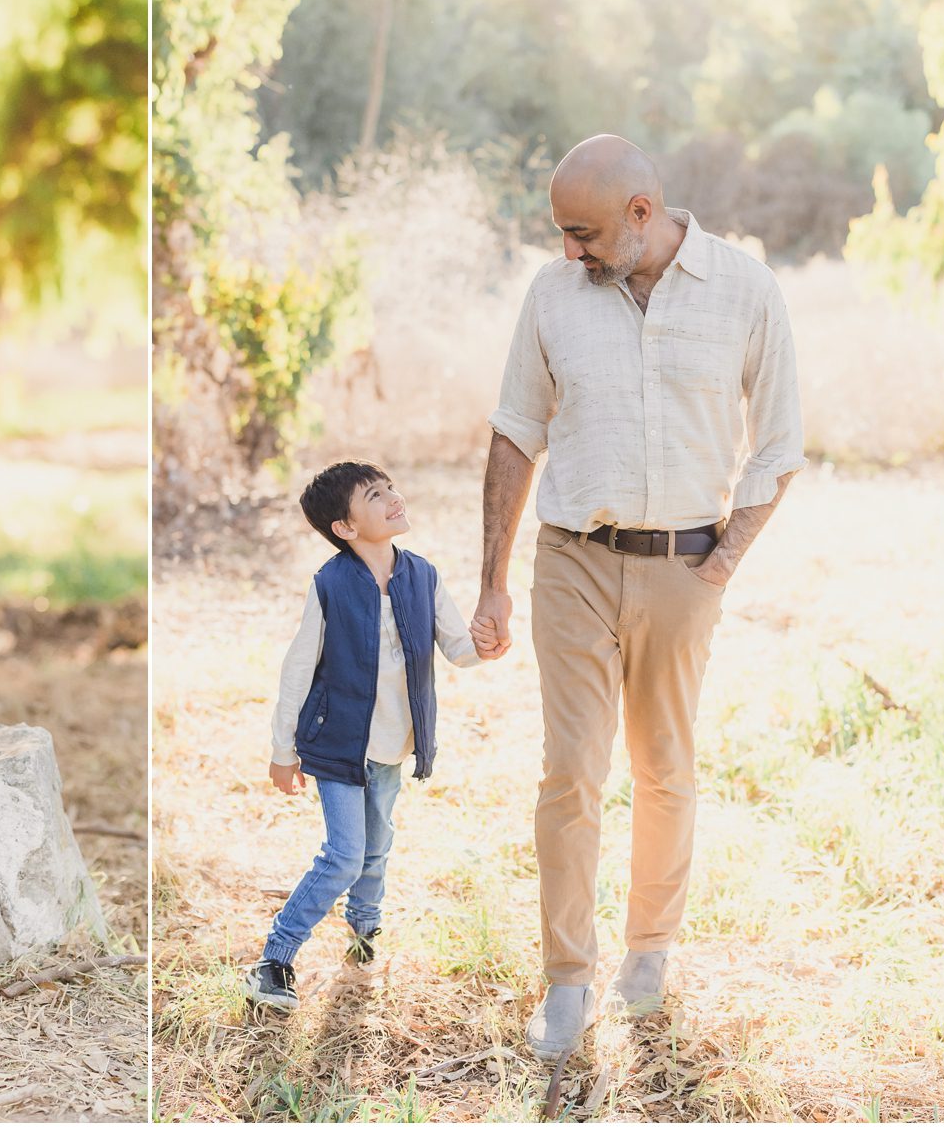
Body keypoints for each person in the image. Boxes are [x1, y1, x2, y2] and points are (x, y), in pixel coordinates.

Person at [470, 135, 804, 1060]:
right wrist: (492, 580)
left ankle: (648, 951)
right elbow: (513, 433)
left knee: (665, 767)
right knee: (571, 772)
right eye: (562, 234)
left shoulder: (745, 291)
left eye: (582, 233)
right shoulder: (552, 295)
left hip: (685, 568)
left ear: (641, 216)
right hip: (572, 560)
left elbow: (779, 444)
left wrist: (725, 558)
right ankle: (567, 981)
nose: (569, 251)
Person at [244, 460, 477, 1012]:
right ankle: (274, 960)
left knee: (377, 845)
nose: (394, 498)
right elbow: (298, 668)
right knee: (345, 855)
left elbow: (460, 648)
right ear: (345, 528)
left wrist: (490, 641)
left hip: (393, 742)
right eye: (375, 495)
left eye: (391, 487)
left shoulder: (423, 575)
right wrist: (282, 751)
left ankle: (365, 929)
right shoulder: (331, 585)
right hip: (337, 742)